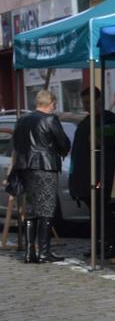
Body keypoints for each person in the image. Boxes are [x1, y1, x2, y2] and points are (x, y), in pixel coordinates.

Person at [10, 90, 71, 263]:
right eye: (55, 103)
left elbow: (16, 144)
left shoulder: (22, 120)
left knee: (31, 210)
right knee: (46, 208)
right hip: (45, 167)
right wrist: (61, 152)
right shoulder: (50, 119)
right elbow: (64, 142)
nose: (55, 106)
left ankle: (30, 252)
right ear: (51, 102)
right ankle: (44, 251)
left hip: (25, 168)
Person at [69, 87, 115, 259]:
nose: (86, 106)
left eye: (88, 102)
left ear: (99, 100)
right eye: (84, 102)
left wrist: (96, 138)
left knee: (102, 209)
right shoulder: (86, 121)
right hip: (85, 176)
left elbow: (105, 142)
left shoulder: (110, 119)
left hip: (101, 175)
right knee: (95, 211)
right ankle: (99, 243)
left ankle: (110, 244)